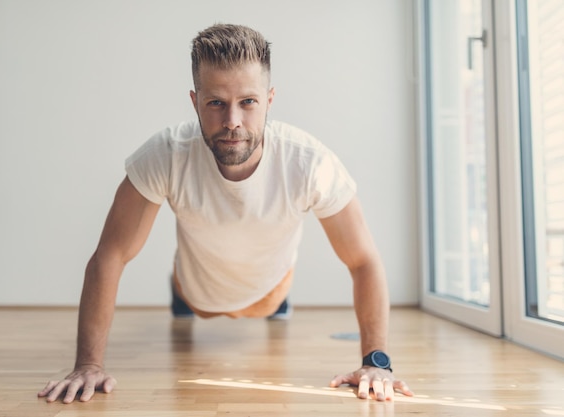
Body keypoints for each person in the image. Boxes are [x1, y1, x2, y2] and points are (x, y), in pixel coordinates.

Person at [38, 23, 413, 404]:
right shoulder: (167, 154)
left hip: (270, 289)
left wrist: (376, 362)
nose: (232, 120)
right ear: (194, 100)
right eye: (215, 102)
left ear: (269, 99)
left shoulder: (310, 163)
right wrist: (88, 364)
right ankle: (180, 292)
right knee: (188, 290)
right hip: (196, 290)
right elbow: (110, 255)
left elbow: (364, 260)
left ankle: (275, 305)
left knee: (271, 297)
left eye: (247, 102)